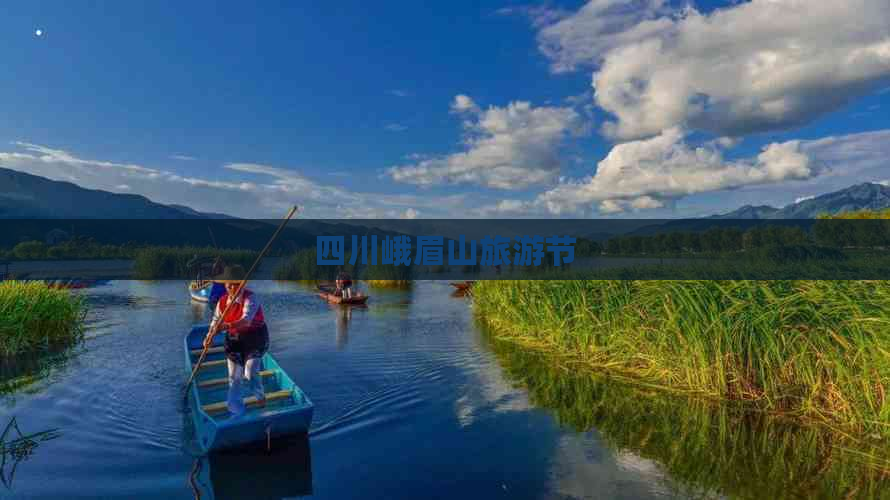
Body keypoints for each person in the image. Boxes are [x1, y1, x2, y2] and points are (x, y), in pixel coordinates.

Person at [203, 265, 269, 416]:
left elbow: (245, 321)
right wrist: (208, 337)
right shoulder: (222, 302)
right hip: (234, 340)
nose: (232, 287)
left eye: (235, 284)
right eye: (228, 284)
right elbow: (215, 321)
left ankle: (259, 395)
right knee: (234, 377)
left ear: (242, 284)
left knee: (250, 372)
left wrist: (225, 325)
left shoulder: (251, 298)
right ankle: (236, 410)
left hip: (254, 338)